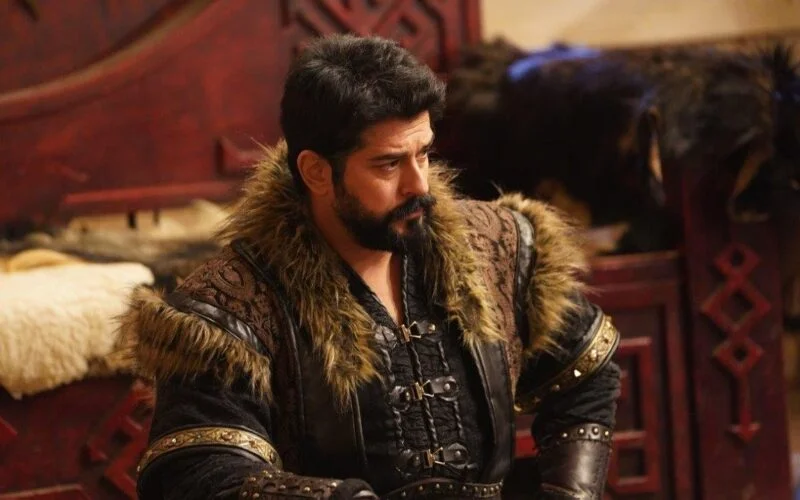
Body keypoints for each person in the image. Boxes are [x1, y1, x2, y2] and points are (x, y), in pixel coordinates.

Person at [120, 33, 621, 499]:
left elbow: (586, 373)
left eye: (423, 154)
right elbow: (197, 470)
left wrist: (570, 494)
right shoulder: (230, 306)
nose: (418, 184)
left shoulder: (494, 245)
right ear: (317, 172)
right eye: (388, 164)